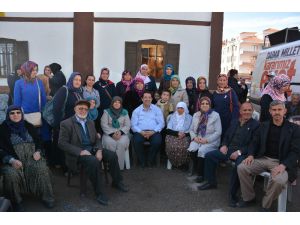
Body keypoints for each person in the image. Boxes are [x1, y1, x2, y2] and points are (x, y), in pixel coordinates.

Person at [58, 100, 128, 206]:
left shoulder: (90, 122)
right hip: (77, 154)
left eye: (85, 109)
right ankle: (99, 193)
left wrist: (99, 150)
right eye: (80, 108)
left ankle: (117, 182)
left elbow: (97, 139)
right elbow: (62, 143)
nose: (83, 111)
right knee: (93, 161)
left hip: (92, 149)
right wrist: (80, 151)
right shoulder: (66, 123)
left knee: (112, 155)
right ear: (75, 109)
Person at [237, 100, 300, 211]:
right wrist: (251, 155)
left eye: (279, 109)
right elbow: (254, 142)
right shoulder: (263, 125)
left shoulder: (294, 129)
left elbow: (296, 151)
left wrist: (284, 165)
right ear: (270, 111)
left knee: (279, 180)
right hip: (263, 158)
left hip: (281, 162)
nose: (277, 112)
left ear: (284, 111)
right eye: (274, 110)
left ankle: (266, 204)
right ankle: (249, 197)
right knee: (242, 167)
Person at [198, 103, 259, 208]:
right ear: (240, 111)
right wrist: (224, 145)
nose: (247, 112)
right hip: (229, 150)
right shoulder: (235, 121)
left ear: (252, 111)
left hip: (242, 153)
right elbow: (226, 135)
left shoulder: (256, 125)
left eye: (249, 110)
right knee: (210, 156)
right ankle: (211, 182)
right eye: (244, 110)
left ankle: (232, 194)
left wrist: (239, 152)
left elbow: (254, 144)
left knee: (238, 166)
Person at [0, 105, 54, 211]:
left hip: (31, 158)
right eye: (12, 113)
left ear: (22, 114)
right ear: (8, 115)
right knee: (11, 174)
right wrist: (10, 160)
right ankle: (16, 201)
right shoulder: (2, 129)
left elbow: (39, 141)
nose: (15, 115)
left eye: (18, 112)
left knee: (41, 168)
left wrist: (38, 151)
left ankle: (47, 197)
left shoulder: (28, 126)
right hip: (13, 160)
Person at [52, 72, 83, 170]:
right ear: (71, 80)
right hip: (64, 123)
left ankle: (72, 166)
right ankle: (64, 167)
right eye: (75, 79)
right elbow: (56, 109)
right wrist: (59, 125)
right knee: (64, 145)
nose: (77, 82)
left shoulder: (79, 91)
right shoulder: (64, 90)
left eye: (79, 80)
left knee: (72, 145)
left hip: (76, 123)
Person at [187, 97, 222, 182]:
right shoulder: (196, 115)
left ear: (210, 105)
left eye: (207, 103)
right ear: (199, 105)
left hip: (211, 140)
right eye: (203, 103)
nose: (204, 105)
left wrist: (206, 140)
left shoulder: (215, 115)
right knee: (192, 149)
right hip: (198, 138)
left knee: (202, 150)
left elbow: (218, 132)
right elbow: (191, 130)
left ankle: (201, 174)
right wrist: (195, 138)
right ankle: (198, 167)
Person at [131, 91, 165, 167]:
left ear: (152, 99)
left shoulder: (157, 109)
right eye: (145, 97)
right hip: (140, 132)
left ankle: (150, 160)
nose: (147, 99)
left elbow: (161, 123)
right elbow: (133, 125)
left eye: (149, 97)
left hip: (154, 132)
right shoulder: (136, 111)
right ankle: (142, 160)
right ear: (142, 99)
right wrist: (141, 132)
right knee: (137, 141)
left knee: (157, 142)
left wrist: (153, 131)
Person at [14, 61, 47, 126]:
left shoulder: (39, 82)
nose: (35, 72)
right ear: (26, 70)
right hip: (24, 115)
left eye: (36, 70)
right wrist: (18, 115)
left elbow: (43, 99)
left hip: (37, 114)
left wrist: (43, 112)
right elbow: (17, 102)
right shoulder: (18, 83)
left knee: (37, 134)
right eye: (32, 70)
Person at [101, 97, 131, 170]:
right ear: (112, 103)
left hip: (122, 133)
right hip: (109, 133)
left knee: (121, 143)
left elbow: (128, 125)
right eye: (115, 102)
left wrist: (120, 132)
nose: (117, 103)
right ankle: (109, 166)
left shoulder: (125, 112)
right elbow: (103, 124)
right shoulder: (106, 112)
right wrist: (112, 134)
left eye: (119, 102)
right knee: (109, 142)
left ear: (121, 104)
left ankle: (119, 167)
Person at [165, 102, 192, 168]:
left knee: (184, 147)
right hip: (173, 134)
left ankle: (183, 164)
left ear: (185, 108)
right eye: (178, 108)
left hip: (185, 135)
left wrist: (184, 134)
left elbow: (191, 129)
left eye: (182, 108)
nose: (180, 110)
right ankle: (172, 162)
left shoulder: (189, 117)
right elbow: (168, 129)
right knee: (171, 146)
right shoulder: (173, 116)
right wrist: (177, 133)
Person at [212, 74, 239, 139]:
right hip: (217, 119)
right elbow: (212, 106)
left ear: (227, 81)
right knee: (217, 135)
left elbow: (236, 106)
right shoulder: (215, 93)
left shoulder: (231, 92)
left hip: (228, 119)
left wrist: (234, 119)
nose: (222, 82)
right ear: (217, 81)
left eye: (224, 80)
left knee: (226, 136)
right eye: (220, 80)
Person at [93, 67, 116, 132]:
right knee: (99, 124)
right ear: (100, 74)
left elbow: (115, 97)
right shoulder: (96, 84)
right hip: (99, 109)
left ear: (108, 75)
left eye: (106, 73)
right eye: (103, 73)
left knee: (108, 124)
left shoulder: (112, 85)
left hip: (109, 109)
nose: (104, 75)